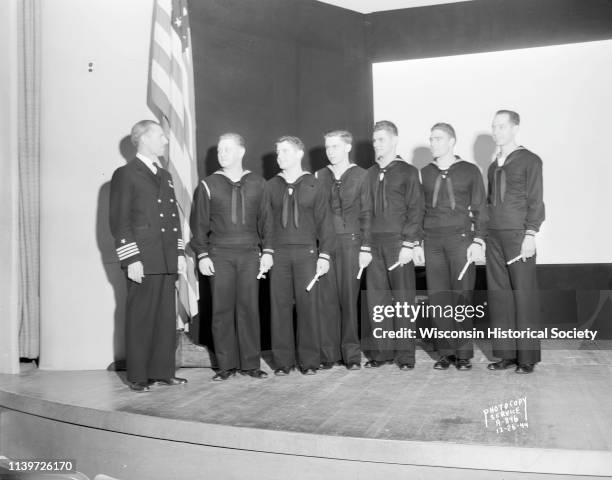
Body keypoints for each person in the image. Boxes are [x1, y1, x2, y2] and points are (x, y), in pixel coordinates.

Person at [109, 120, 187, 392]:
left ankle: (162, 371)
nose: (165, 141)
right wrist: (131, 259)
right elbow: (119, 222)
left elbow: (173, 219)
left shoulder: (164, 175)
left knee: (165, 318)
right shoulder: (125, 174)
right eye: (160, 136)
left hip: (165, 258)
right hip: (143, 258)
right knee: (141, 317)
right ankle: (139, 376)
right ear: (143, 138)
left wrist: (179, 252)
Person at [190, 133, 272, 381]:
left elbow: (267, 221)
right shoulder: (208, 184)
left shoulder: (258, 183)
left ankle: (250, 363)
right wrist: (202, 255)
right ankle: (225, 365)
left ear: (241, 152)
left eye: (227, 149)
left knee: (249, 309)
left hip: (249, 255)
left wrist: (267, 252)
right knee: (221, 310)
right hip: (219, 255)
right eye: (219, 150)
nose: (222, 154)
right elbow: (199, 224)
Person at [417, 123, 487, 371]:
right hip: (432, 242)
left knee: (461, 297)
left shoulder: (469, 171)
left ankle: (464, 353)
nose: (433, 143)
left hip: (460, 240)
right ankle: (445, 353)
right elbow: (418, 210)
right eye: (431, 138)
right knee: (439, 299)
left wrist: (478, 240)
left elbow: (480, 208)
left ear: (451, 141)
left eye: (438, 138)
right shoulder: (424, 172)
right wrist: (417, 242)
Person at [266, 136, 335, 375]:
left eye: (285, 151)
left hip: (307, 254)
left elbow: (326, 224)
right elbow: (265, 224)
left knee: (308, 308)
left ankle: (309, 361)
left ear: (298, 154)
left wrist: (324, 255)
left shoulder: (315, 185)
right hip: (280, 255)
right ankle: (283, 362)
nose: (280, 156)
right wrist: (267, 251)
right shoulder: (271, 186)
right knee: (279, 308)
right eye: (277, 152)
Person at [486, 110, 545, 374]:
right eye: (494, 127)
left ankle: (527, 358)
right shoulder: (493, 165)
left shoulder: (530, 160)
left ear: (514, 128)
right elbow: (489, 203)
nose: (496, 132)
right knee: (500, 296)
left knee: (523, 296)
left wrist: (530, 234)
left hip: (518, 235)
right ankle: (506, 354)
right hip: (494, 236)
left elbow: (535, 199)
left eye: (501, 127)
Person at [363, 121, 424, 370]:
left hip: (399, 244)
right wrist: (365, 246)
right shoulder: (368, 174)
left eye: (382, 140)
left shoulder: (408, 171)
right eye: (375, 140)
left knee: (403, 302)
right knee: (377, 302)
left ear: (394, 140)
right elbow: (365, 212)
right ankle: (381, 353)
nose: (377, 145)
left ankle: (406, 356)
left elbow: (416, 209)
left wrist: (409, 243)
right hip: (374, 246)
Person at [314, 130, 371, 370]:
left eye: (335, 147)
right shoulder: (319, 176)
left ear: (348, 147)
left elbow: (368, 212)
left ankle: (351, 356)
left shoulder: (362, 175)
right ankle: (329, 354)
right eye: (328, 147)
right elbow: (316, 214)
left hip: (352, 244)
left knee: (349, 300)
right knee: (327, 301)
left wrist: (365, 247)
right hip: (327, 245)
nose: (331, 151)